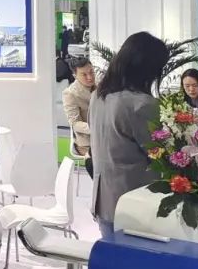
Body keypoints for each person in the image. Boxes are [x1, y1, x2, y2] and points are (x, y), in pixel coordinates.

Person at [89, 32, 170, 241]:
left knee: (114, 256)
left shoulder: (98, 96)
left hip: (103, 199)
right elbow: (160, 155)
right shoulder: (141, 104)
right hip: (134, 201)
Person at [62, 57, 96, 178]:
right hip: (86, 141)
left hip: (105, 137)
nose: (90, 77)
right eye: (84, 74)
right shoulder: (70, 93)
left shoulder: (101, 86)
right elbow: (75, 123)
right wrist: (97, 128)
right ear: (75, 75)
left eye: (91, 72)